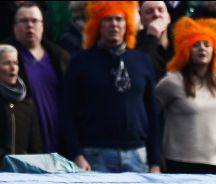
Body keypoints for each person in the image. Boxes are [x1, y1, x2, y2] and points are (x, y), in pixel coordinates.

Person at [61, 1, 162, 173]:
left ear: (127, 24)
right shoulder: (80, 62)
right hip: (94, 154)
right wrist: (76, 154)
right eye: (107, 19)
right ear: (97, 24)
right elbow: (67, 111)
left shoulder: (142, 61)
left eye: (119, 19)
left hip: (137, 155)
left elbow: (152, 113)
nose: (114, 24)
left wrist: (155, 161)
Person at [156, 17, 216, 174]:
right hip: (178, 162)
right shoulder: (172, 81)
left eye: (207, 44)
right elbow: (150, 115)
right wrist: (156, 155)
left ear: (214, 50)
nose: (202, 48)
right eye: (196, 45)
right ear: (186, 50)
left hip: (214, 162)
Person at [10, 2, 69, 154]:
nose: (30, 25)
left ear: (42, 25)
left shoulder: (60, 57)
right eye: (24, 21)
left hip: (59, 142)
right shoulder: (6, 58)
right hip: (23, 146)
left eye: (34, 21)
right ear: (15, 26)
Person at [0, 44, 42, 160]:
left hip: (20, 169)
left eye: (15, 63)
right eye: (6, 63)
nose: (13, 68)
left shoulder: (27, 104)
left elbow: (35, 147)